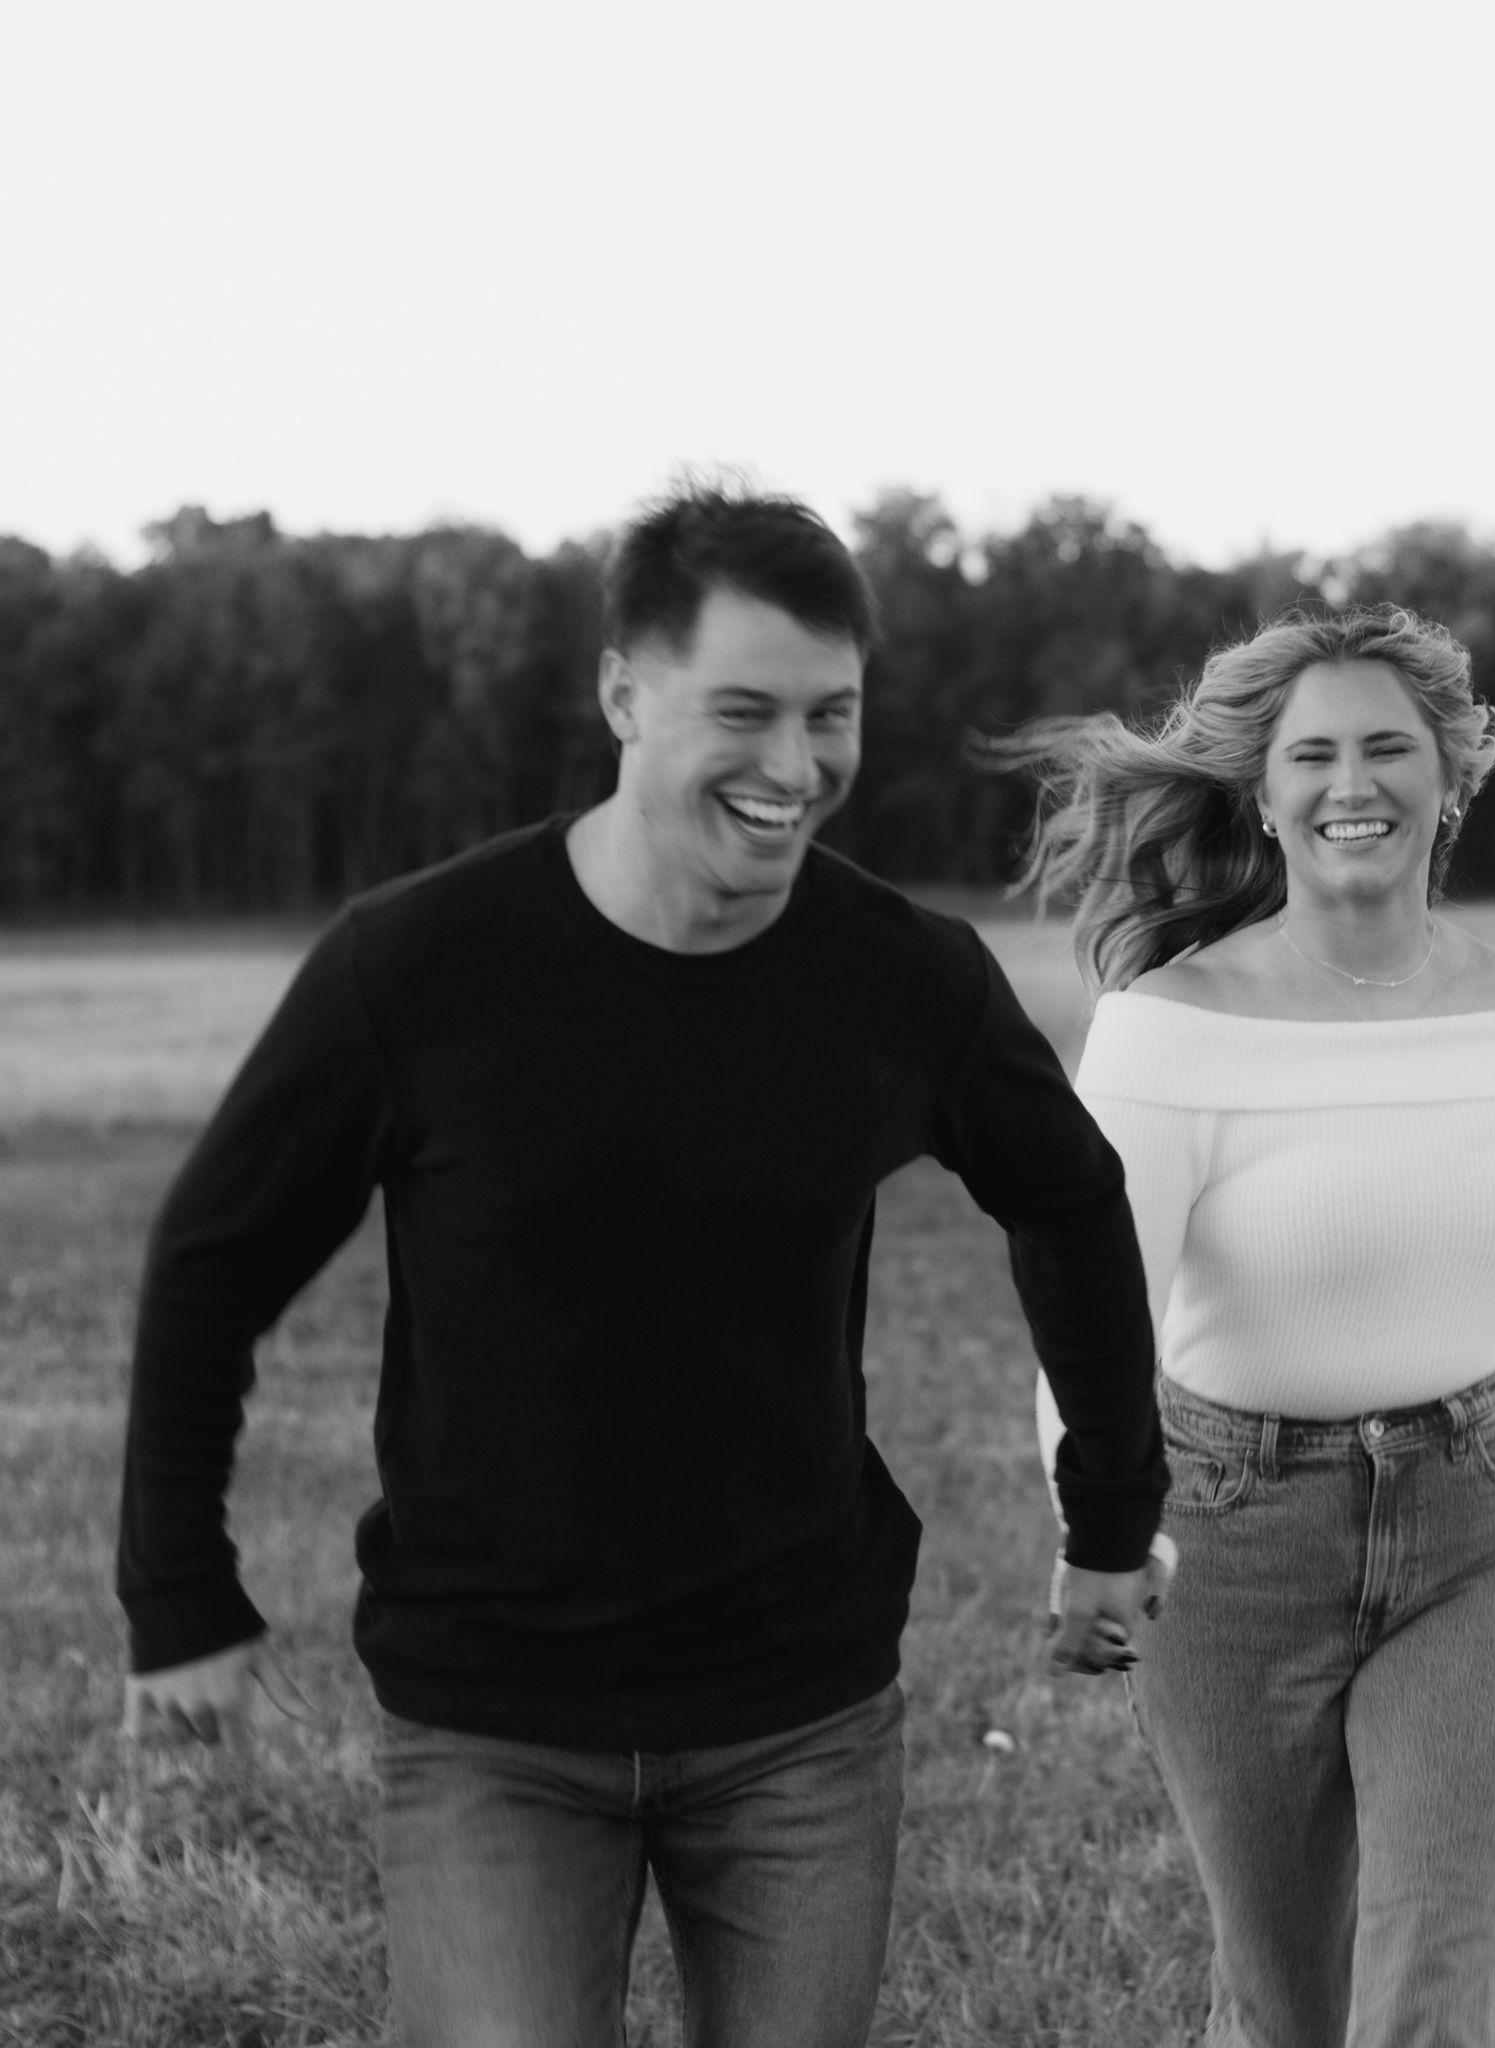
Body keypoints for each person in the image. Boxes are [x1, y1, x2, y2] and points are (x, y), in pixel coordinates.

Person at [116, 482, 1167, 2048]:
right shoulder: (420, 967)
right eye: (743, 711)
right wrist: (179, 1588)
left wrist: (1112, 1516)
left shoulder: (902, 978)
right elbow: (214, 1262)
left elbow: (1071, 1198)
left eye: (831, 715)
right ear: (623, 692)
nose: (795, 766)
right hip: (493, 1721)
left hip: (802, 1713)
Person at [1009, 604, 1495, 2047]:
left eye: (1389, 748)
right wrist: (1100, 1536)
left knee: (1438, 1985)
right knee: (1287, 2003)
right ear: (1262, 796)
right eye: (1313, 755)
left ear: (1450, 777)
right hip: (1232, 1537)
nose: (1354, 784)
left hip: (1485, 1527)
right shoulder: (1171, 1026)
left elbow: (1472, 1260)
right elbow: (1097, 1311)